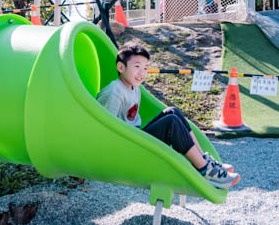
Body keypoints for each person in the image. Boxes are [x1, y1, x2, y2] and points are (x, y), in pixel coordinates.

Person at [97, 43, 240, 188]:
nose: (142, 72)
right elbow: (105, 127)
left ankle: (201, 158)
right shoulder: (114, 92)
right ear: (121, 67)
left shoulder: (134, 88)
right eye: (137, 66)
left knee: (172, 111)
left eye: (145, 68)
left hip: (136, 137)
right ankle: (205, 170)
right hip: (128, 147)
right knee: (171, 122)